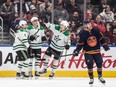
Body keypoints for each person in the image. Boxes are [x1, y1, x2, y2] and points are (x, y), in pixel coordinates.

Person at [73, 19, 110, 84]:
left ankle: (100, 76)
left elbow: (101, 38)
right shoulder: (82, 33)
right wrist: (77, 50)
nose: (91, 25)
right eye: (89, 24)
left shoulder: (95, 30)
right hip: (88, 52)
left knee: (99, 63)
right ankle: (91, 78)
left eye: (90, 23)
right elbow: (80, 43)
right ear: (85, 25)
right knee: (89, 65)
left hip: (97, 51)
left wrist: (105, 45)